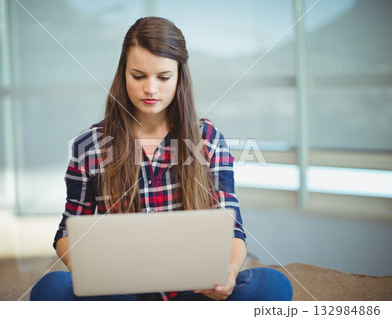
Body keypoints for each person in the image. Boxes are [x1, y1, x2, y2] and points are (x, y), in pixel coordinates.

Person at [30, 17, 292, 301]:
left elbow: (232, 226)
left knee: (272, 284)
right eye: (138, 76)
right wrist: (88, 273)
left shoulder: (208, 138)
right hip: (120, 293)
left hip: (194, 291)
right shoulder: (89, 145)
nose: (151, 89)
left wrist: (228, 273)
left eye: (163, 77)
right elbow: (67, 232)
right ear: (123, 74)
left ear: (180, 77)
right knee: (51, 288)